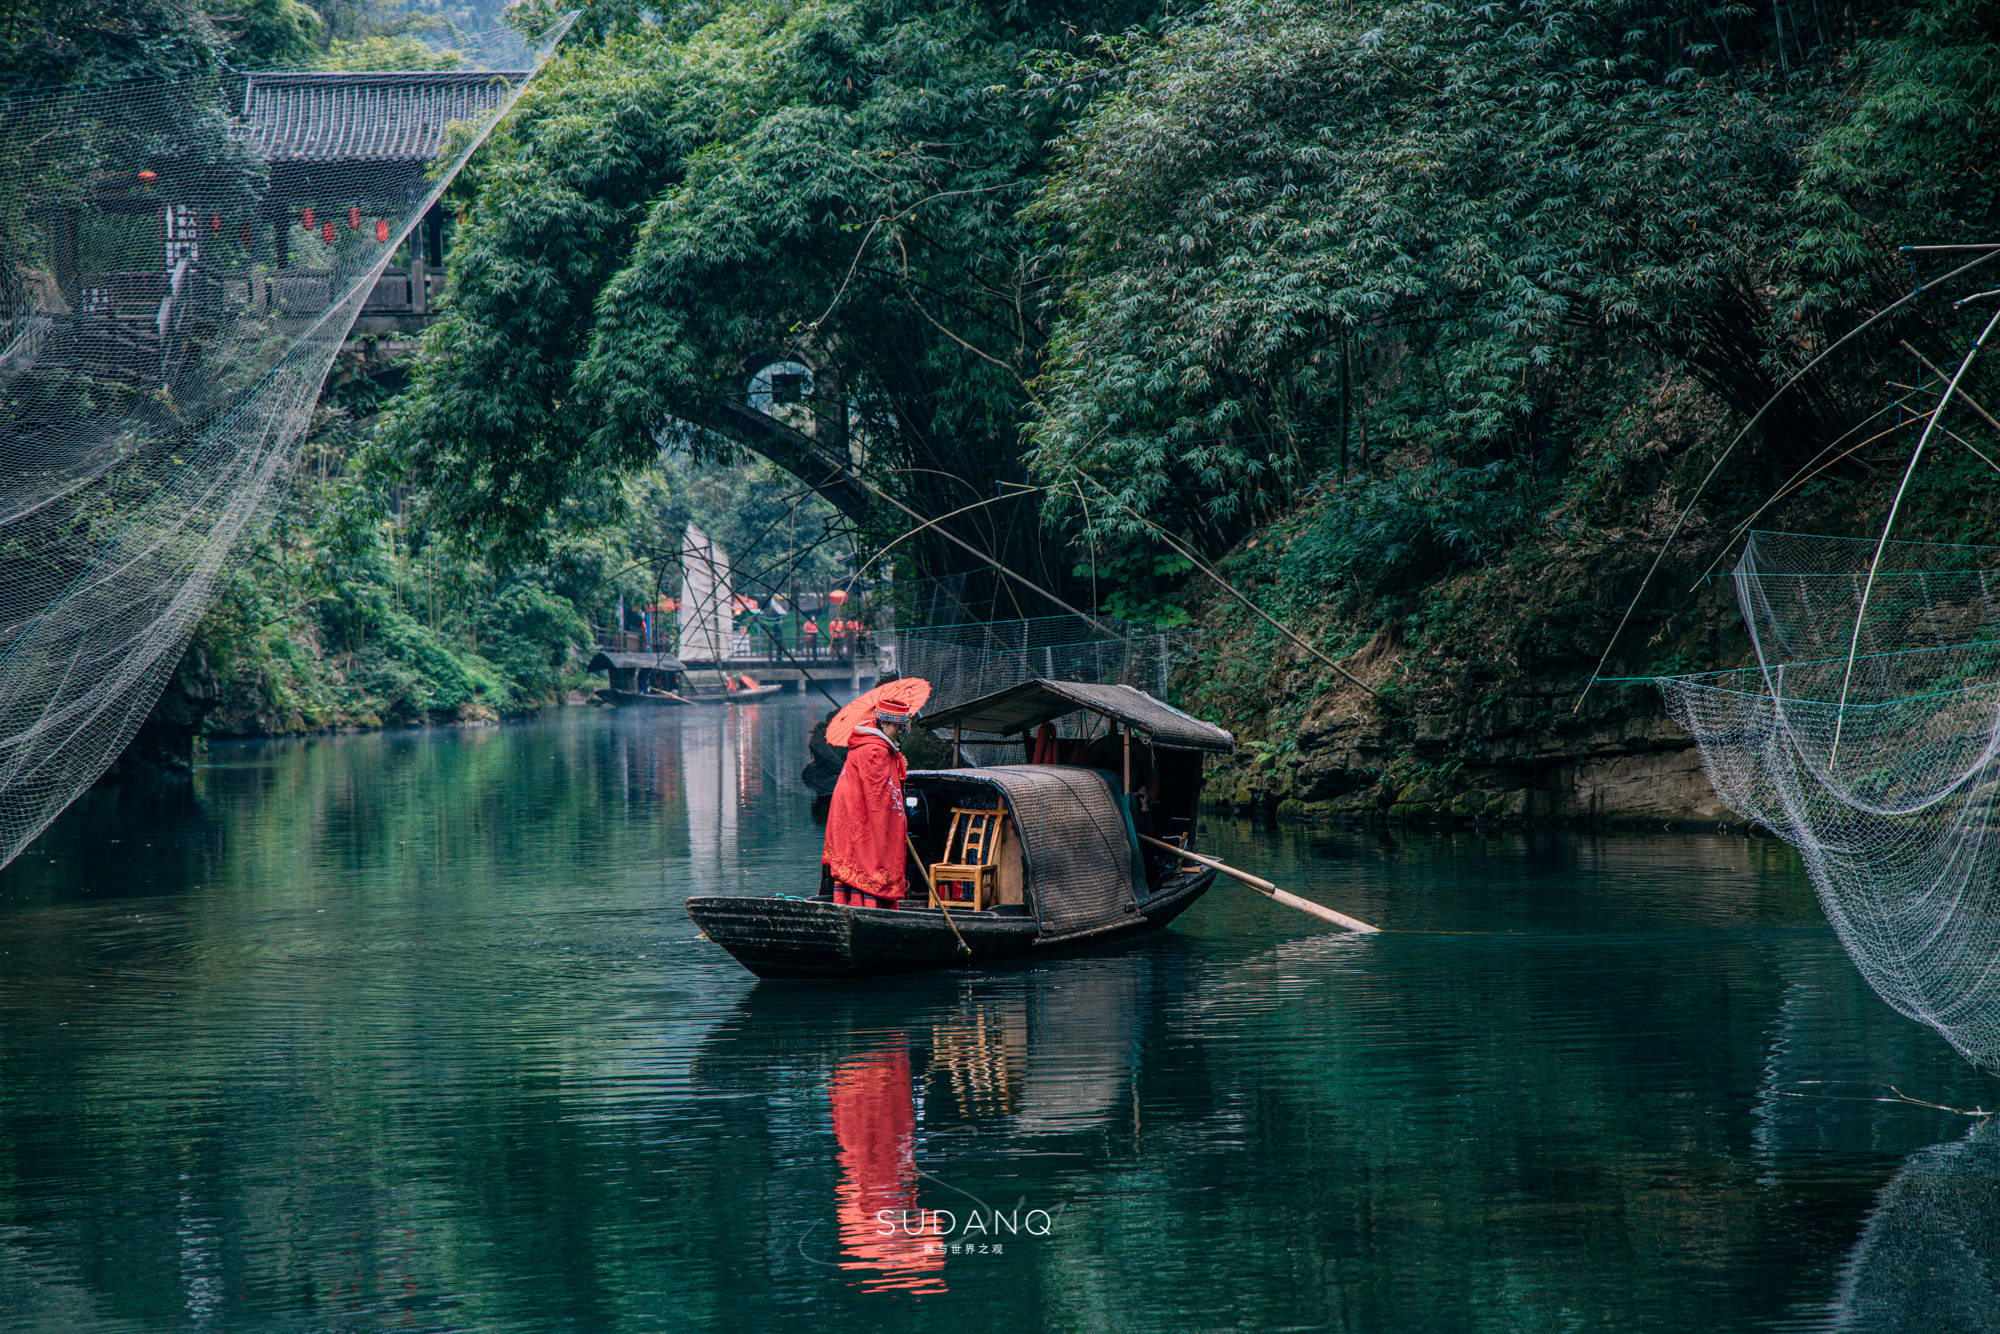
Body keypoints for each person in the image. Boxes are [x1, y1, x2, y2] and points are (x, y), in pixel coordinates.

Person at [823, 699, 914, 908]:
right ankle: (866, 905)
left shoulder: (874, 745)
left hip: (851, 805)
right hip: (856, 807)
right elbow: (879, 793)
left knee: (858, 852)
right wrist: (897, 761)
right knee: (867, 853)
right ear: (884, 724)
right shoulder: (875, 750)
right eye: (897, 728)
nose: (898, 732)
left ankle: (860, 903)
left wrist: (897, 760)